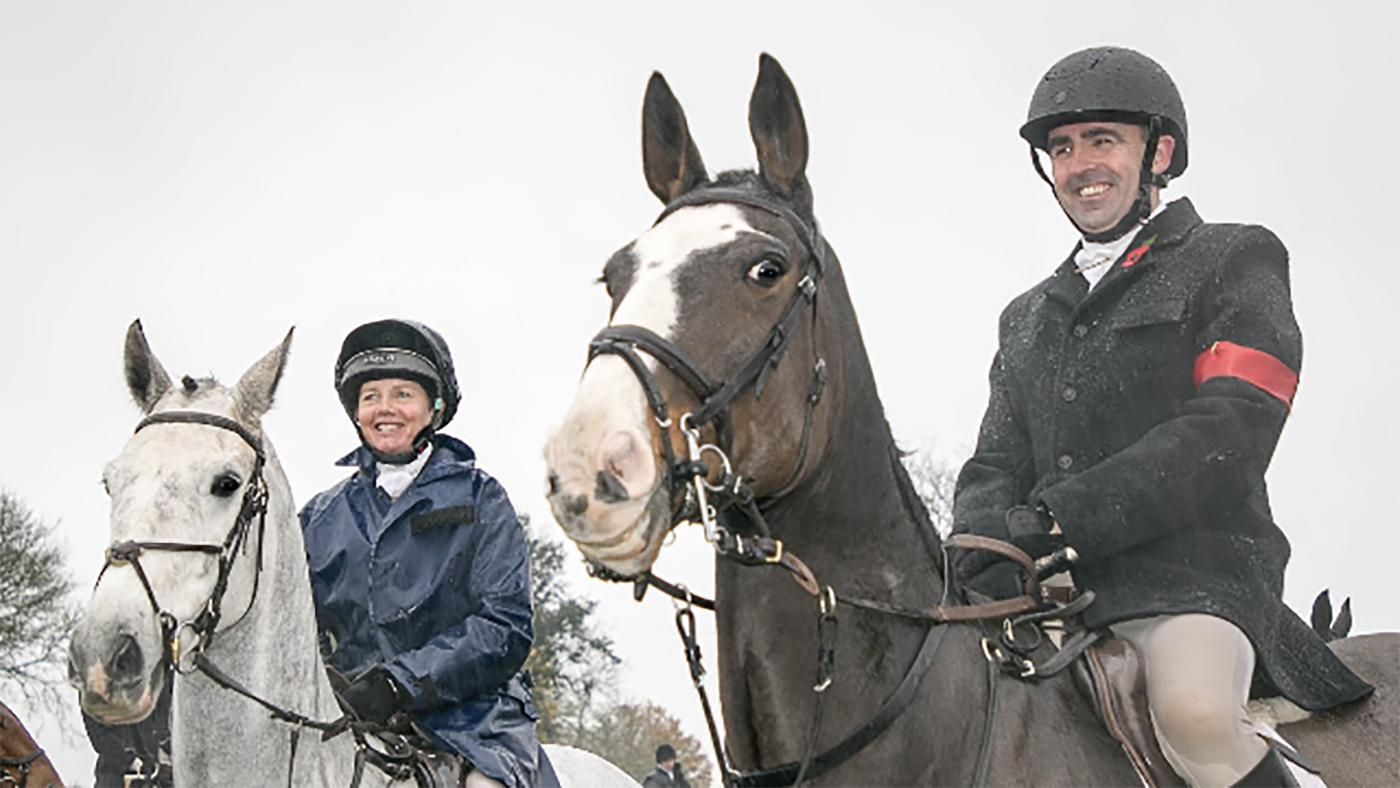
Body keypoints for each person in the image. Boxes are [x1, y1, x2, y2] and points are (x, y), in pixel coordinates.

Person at [951, 47, 1372, 788]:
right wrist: (973, 555)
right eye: (1062, 148)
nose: (1080, 164)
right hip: (1049, 599)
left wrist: (1061, 520)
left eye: (1102, 140)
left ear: (1161, 152)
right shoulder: (1025, 318)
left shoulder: (1233, 258)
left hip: (1194, 583)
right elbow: (993, 463)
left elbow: (1232, 429)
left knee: (1196, 715)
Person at [300, 318, 539, 788]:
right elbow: (290, 627)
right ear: (356, 412)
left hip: (472, 722)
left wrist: (399, 682)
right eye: (370, 397)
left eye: (402, 394)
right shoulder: (318, 517)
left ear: (435, 407)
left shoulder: (481, 499)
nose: (384, 409)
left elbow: (505, 626)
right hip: (349, 717)